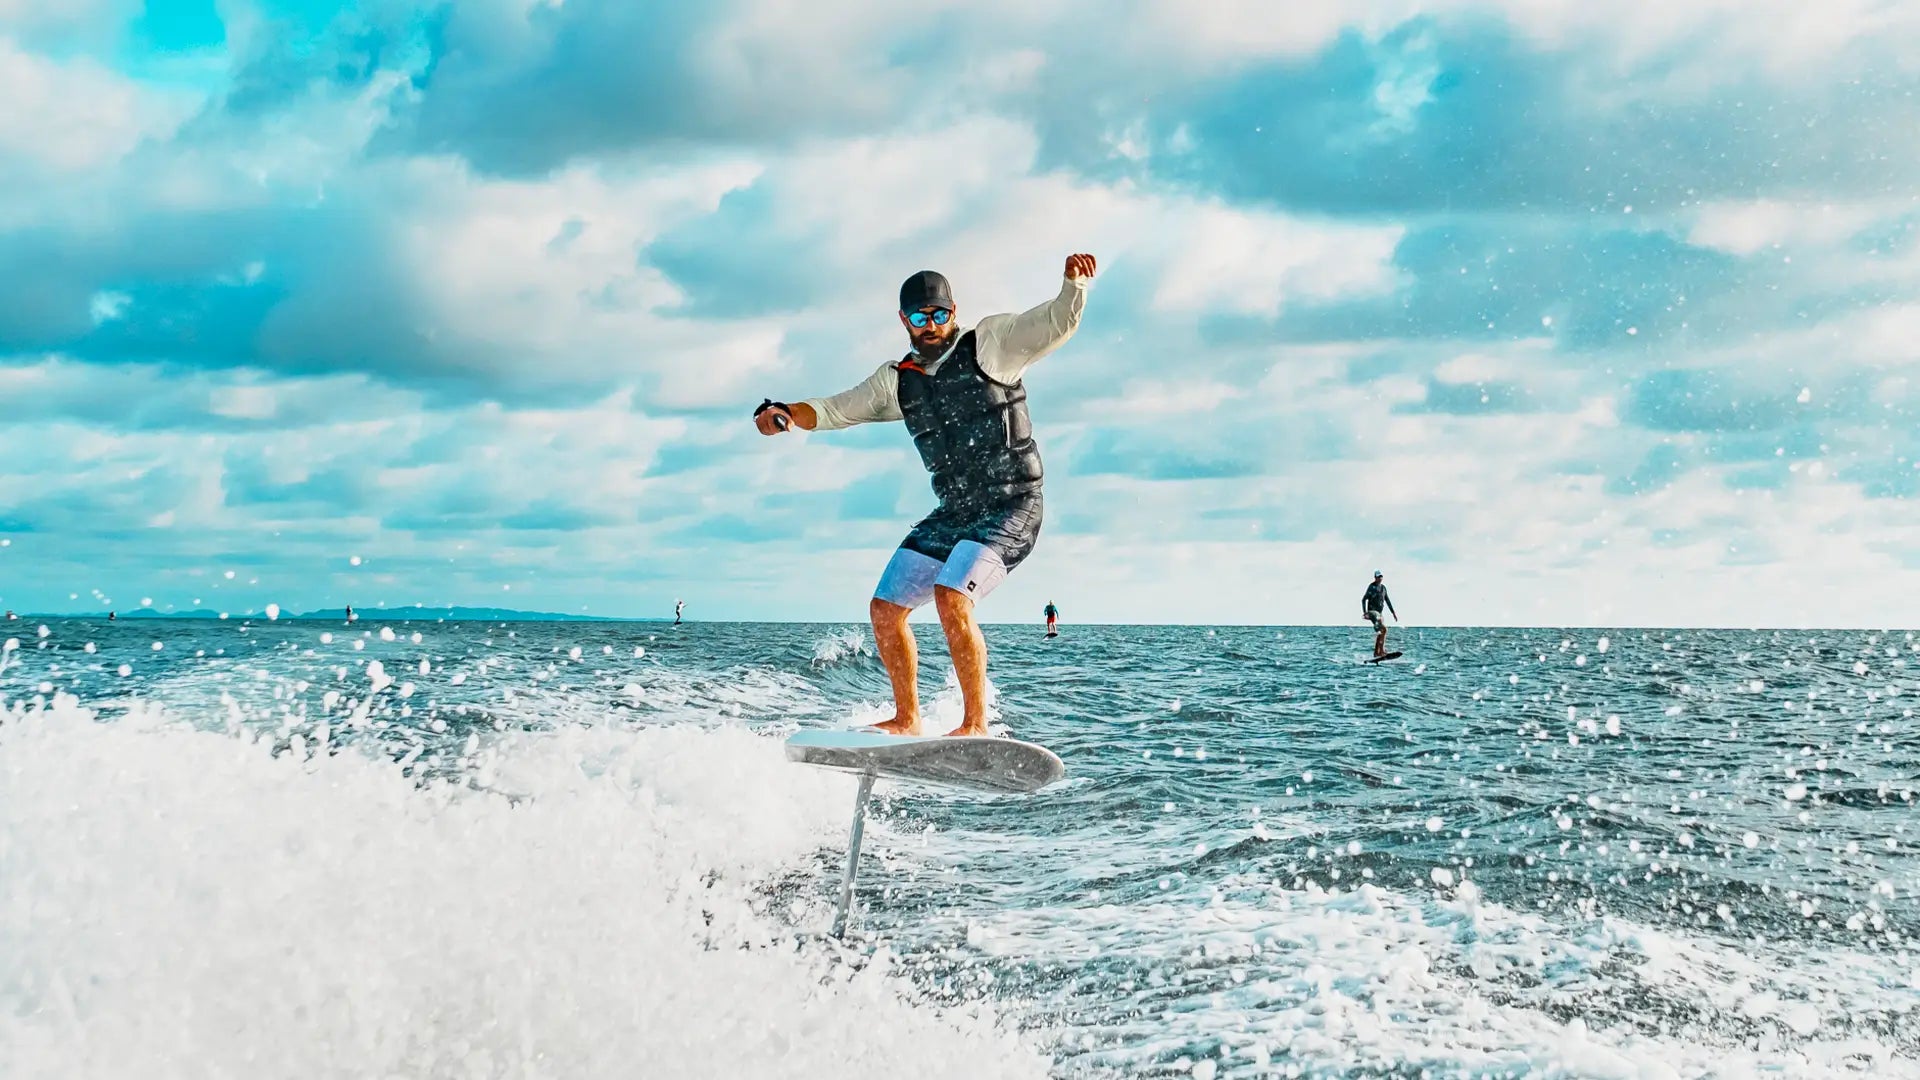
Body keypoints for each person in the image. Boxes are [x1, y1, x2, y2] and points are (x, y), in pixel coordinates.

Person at [755, 254, 1096, 736]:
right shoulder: (896, 381)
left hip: (1013, 503)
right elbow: (835, 409)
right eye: (920, 317)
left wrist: (1074, 286)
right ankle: (906, 718)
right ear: (904, 321)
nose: (931, 325)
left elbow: (1055, 323)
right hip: (956, 512)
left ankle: (975, 724)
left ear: (953, 312)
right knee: (886, 608)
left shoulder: (992, 344)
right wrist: (785, 412)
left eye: (940, 314)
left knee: (951, 596)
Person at [1362, 570, 1398, 657]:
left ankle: (1376, 652)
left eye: (1381, 576)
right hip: (1372, 612)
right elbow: (1364, 599)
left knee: (1381, 631)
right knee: (1384, 629)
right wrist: (1365, 613)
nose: (1380, 578)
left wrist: (1393, 613)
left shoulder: (1383, 588)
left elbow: (1387, 600)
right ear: (1375, 577)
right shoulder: (1371, 587)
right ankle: (1381, 651)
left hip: (1379, 613)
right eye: (1378, 577)